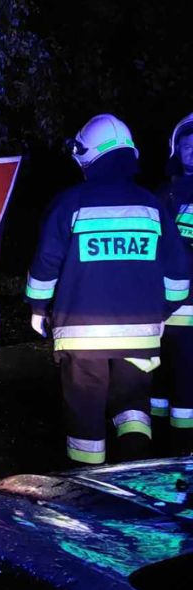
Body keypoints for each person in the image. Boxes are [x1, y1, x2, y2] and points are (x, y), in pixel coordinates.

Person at [26, 113, 189, 466]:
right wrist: (159, 313)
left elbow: (45, 266)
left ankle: (88, 493)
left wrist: (38, 308)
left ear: (88, 155)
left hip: (82, 339)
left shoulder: (70, 203)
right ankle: (133, 475)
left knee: (85, 412)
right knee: (134, 408)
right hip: (141, 336)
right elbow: (178, 277)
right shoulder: (152, 206)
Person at [152, 113, 193, 453]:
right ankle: (160, 448)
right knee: (160, 382)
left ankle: (183, 446)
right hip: (163, 308)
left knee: (187, 383)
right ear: (175, 149)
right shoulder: (163, 195)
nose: (192, 150)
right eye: (186, 144)